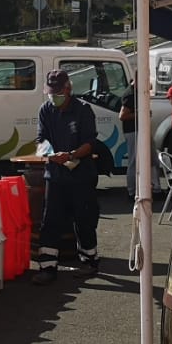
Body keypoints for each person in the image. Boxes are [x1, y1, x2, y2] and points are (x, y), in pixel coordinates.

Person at [33, 69, 99, 286]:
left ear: (68, 89)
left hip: (81, 175)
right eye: (51, 93)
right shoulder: (45, 110)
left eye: (58, 92)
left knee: (84, 219)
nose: (54, 97)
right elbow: (40, 140)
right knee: (50, 220)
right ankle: (47, 266)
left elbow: (90, 143)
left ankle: (89, 261)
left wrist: (70, 155)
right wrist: (50, 154)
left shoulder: (83, 110)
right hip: (55, 175)